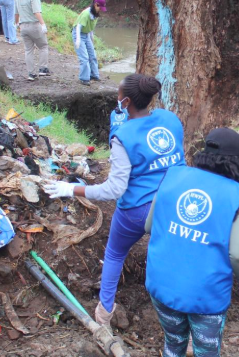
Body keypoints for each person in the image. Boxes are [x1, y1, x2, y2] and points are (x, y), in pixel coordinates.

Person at [42, 74, 186, 330]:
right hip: (174, 206)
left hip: (139, 211)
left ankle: (104, 313)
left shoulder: (123, 136)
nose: (116, 99)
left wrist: (72, 188)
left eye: (119, 96)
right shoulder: (169, 119)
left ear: (126, 101)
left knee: (115, 253)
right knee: (173, 259)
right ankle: (179, 322)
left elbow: (114, 189)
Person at [144, 127, 239, 357]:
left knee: (173, 345)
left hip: (161, 284)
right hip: (206, 294)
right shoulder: (235, 194)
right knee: (207, 356)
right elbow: (237, 253)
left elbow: (149, 225)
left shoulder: (172, 176)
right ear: (237, 162)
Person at [15, 0, 50, 81]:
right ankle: (43, 69)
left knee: (28, 50)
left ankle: (31, 74)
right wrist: (43, 24)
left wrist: (16, 24)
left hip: (23, 26)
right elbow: (37, 12)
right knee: (43, 46)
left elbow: (16, 13)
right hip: (34, 25)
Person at [73, 0, 106, 86]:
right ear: (95, 4)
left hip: (87, 35)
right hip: (79, 34)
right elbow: (78, 27)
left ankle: (94, 75)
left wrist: (91, 39)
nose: (100, 10)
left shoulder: (95, 14)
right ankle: (84, 78)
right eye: (100, 7)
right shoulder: (86, 14)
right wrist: (78, 40)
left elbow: (91, 28)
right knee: (84, 58)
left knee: (93, 56)